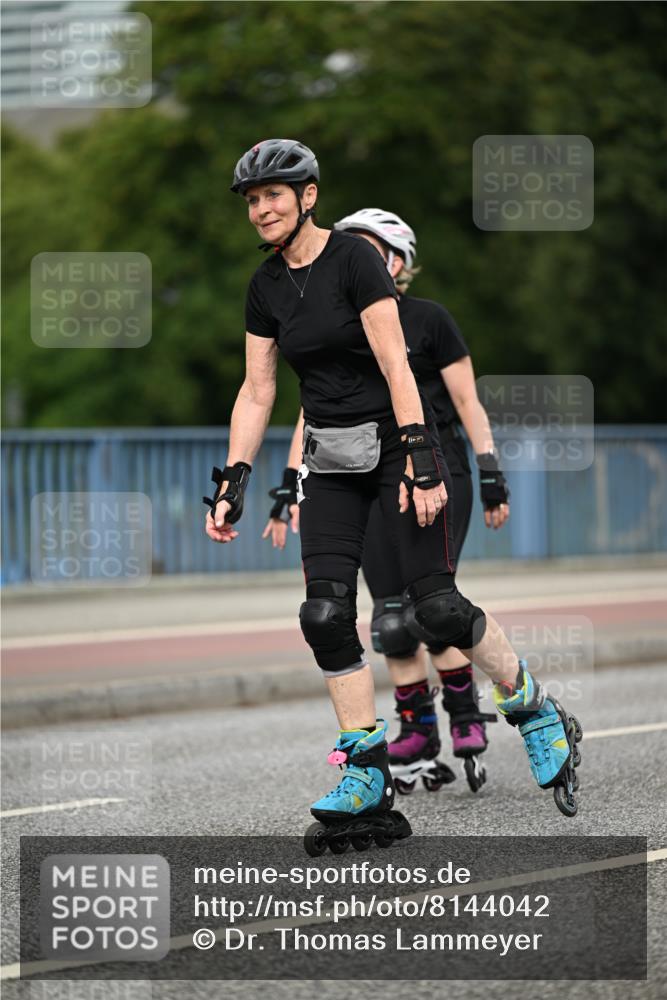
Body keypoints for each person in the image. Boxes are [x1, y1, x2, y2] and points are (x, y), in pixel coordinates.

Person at [205, 139, 582, 855]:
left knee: (436, 605)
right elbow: (258, 390)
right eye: (251, 200)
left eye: (273, 195)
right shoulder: (264, 287)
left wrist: (418, 454)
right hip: (333, 461)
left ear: (307, 195)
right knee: (324, 613)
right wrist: (236, 479)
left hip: (399, 451)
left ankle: (532, 709)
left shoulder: (353, 261)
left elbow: (391, 360)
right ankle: (364, 772)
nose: (260, 209)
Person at [265, 207, 510, 795]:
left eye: (369, 251)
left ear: (396, 260)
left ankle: (468, 716)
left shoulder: (429, 320)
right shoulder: (333, 324)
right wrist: (288, 485)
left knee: (433, 606)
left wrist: (491, 471)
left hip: (433, 467)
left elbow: (468, 403)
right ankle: (417, 731)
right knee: (391, 620)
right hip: (360, 471)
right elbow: (312, 414)